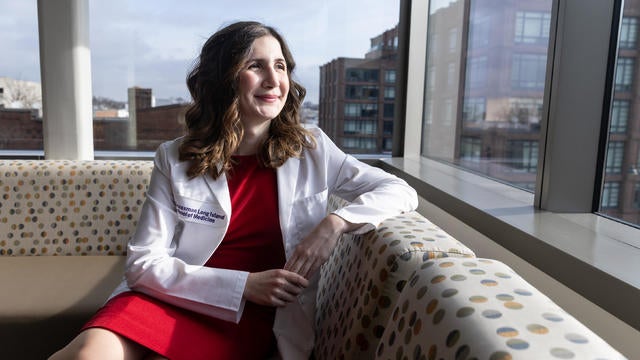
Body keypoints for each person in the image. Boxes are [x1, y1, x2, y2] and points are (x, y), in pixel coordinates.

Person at [49, 21, 418, 360]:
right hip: (173, 295)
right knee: (86, 355)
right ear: (224, 79)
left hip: (249, 319)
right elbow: (143, 265)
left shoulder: (313, 149)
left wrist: (336, 222)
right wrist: (243, 285)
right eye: (256, 66)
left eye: (281, 66)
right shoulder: (175, 157)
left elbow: (398, 190)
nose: (273, 81)